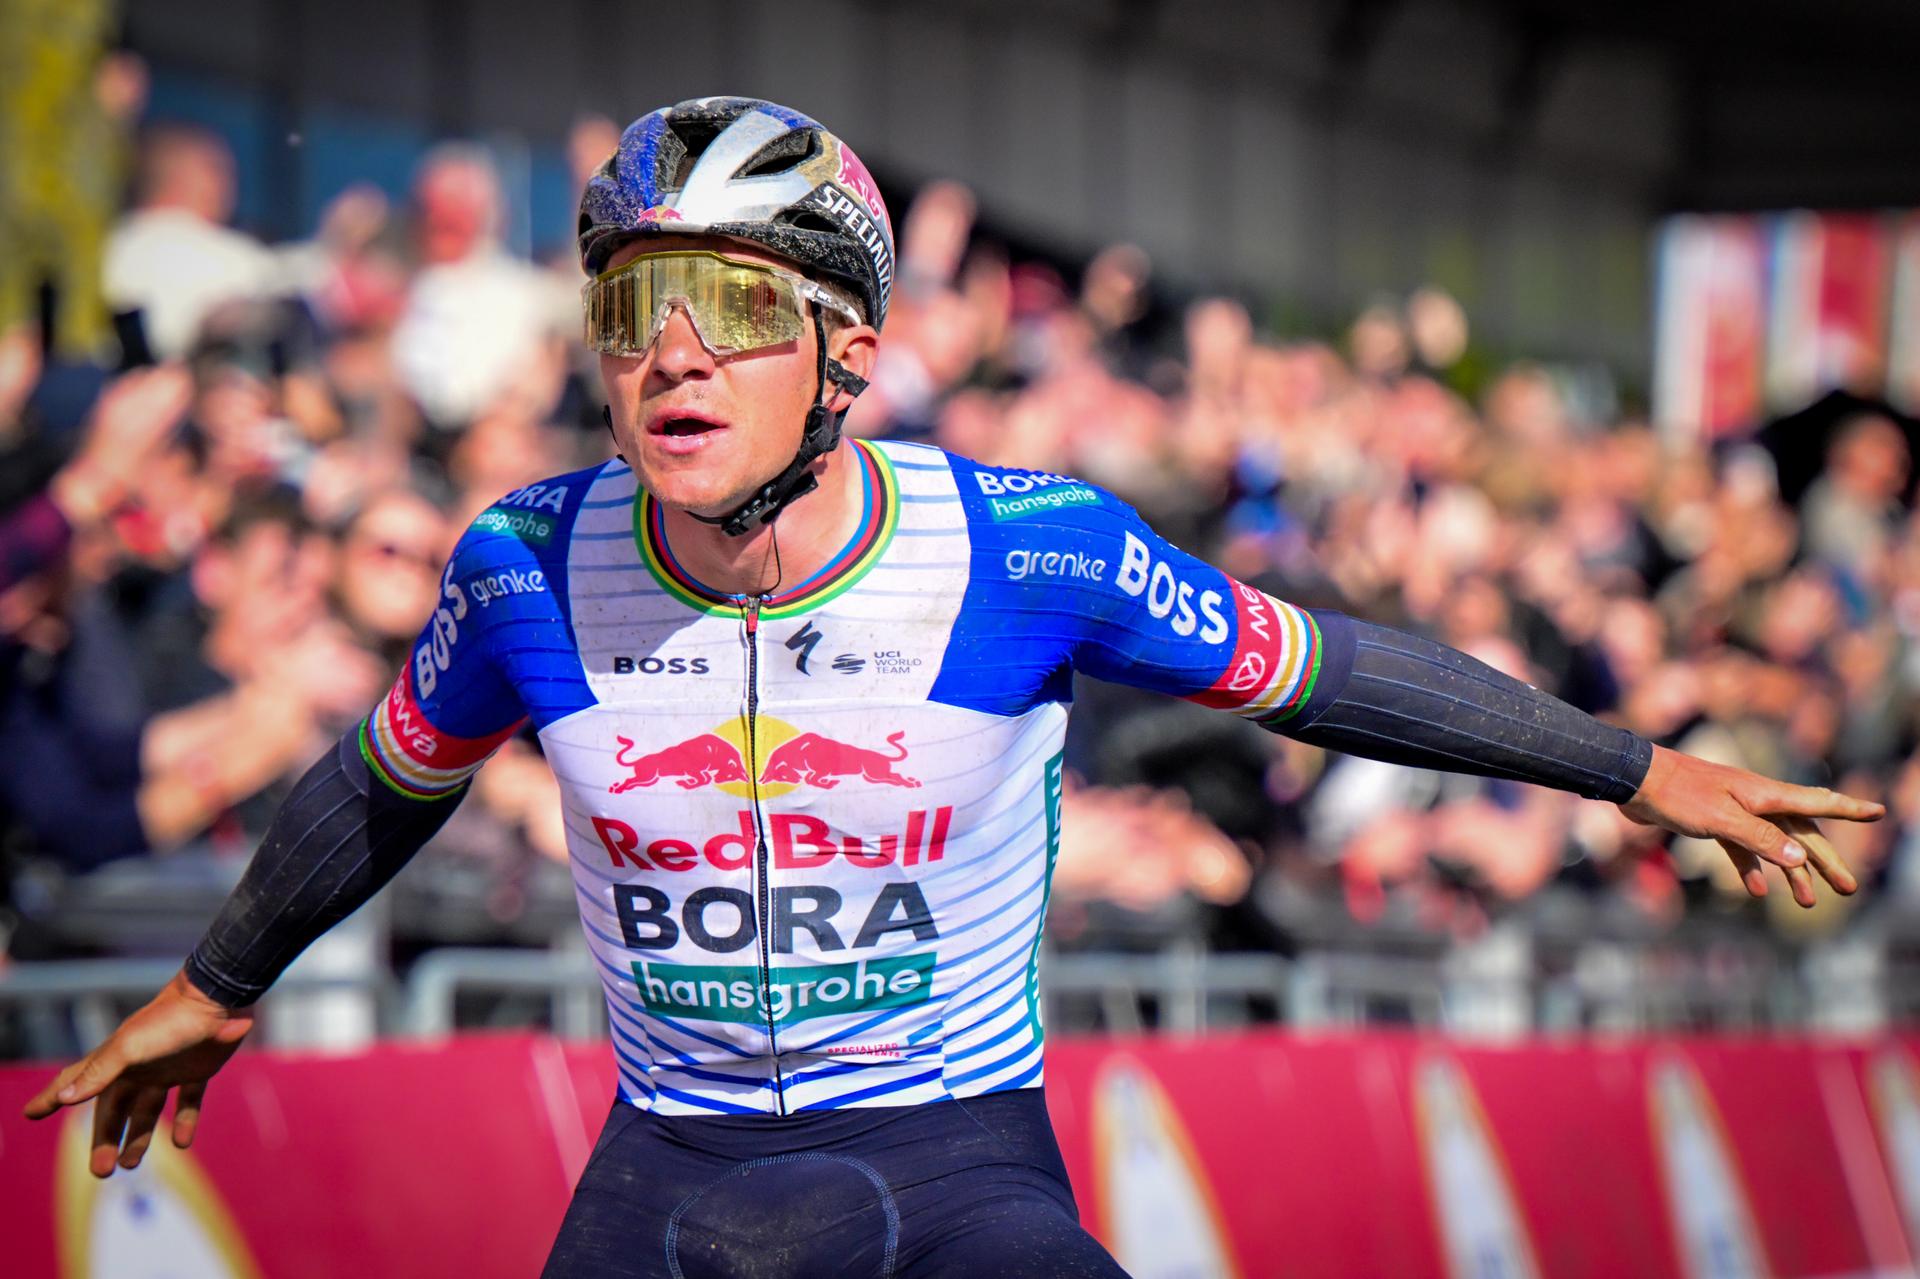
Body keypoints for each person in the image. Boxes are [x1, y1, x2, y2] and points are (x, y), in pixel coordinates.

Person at [25, 98, 1881, 1277]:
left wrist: (1642, 770)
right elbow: (384, 780)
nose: (672, 355)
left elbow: (1324, 674)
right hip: (654, 1193)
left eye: (737, 309)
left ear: (848, 354)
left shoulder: (1032, 547)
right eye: (629, 307)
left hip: (957, 1188)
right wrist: (214, 985)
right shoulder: (522, 561)